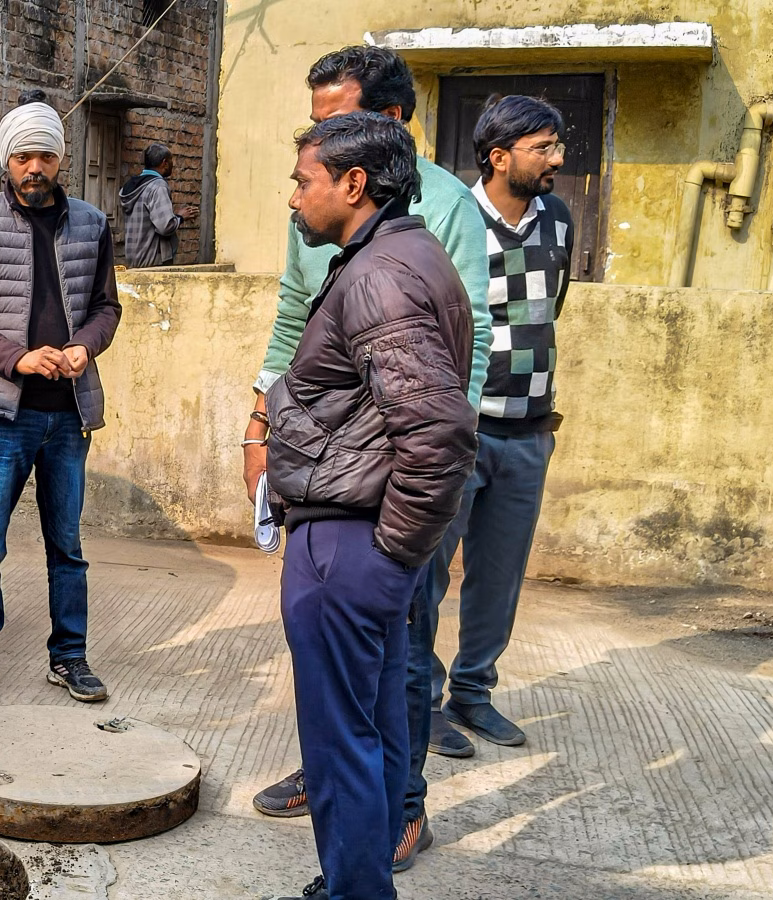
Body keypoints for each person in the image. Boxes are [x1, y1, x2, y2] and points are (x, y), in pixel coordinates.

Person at [246, 45, 492, 872]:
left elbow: (438, 433)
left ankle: (354, 887)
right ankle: (363, 880)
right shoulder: (393, 254)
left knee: (341, 745)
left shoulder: (381, 276)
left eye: (304, 179)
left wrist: (388, 554)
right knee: (376, 728)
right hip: (355, 534)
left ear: (354, 185)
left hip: (351, 540)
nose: (294, 195)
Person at [0, 91, 123, 710]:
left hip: (68, 411)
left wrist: (85, 348)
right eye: (23, 158)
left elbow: (106, 308)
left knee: (66, 545)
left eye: (45, 155)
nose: (34, 168)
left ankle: (69, 657)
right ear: (7, 161)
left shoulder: (93, 224)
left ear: (61, 159)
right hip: (2, 413)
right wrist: (15, 357)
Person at [429, 95, 573, 750]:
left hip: (528, 431)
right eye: (543, 147)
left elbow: (549, 313)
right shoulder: (450, 220)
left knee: (500, 576)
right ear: (498, 156)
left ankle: (473, 693)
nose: (557, 158)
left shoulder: (560, 221)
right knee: (426, 573)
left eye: (557, 144)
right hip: (461, 430)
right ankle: (419, 699)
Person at [118, 143, 199, 268]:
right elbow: (165, 226)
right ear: (164, 163)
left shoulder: (131, 186)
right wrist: (181, 217)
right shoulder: (158, 186)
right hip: (153, 260)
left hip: (134, 259)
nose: (173, 164)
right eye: (171, 160)